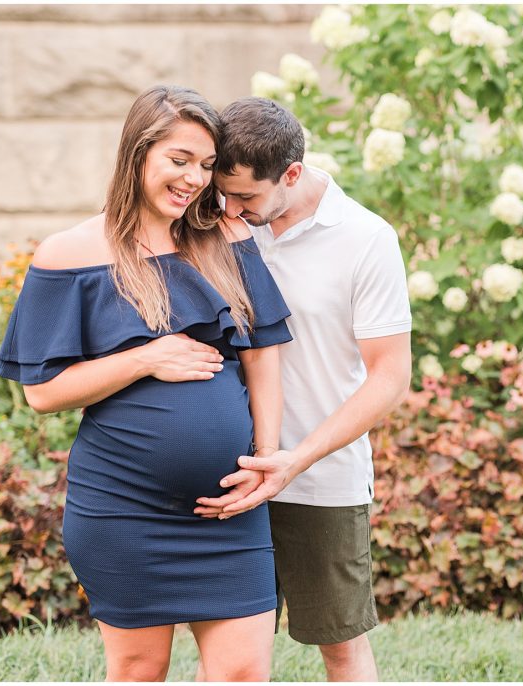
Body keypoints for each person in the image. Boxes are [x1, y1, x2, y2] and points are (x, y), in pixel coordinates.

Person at [0, 85, 290, 682]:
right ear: (137, 154)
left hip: (229, 511)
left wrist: (266, 458)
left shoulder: (226, 241)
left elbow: (263, 356)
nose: (193, 180)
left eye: (206, 166)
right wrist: (144, 358)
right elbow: (43, 393)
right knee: (136, 671)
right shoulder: (69, 254)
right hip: (122, 509)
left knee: (244, 674)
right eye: (178, 160)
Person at [193, 97, 412, 682]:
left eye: (245, 197)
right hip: (229, 474)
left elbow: (390, 376)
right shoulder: (214, 224)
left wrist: (296, 458)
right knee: (227, 652)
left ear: (291, 173)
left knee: (340, 647)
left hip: (320, 478)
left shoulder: (366, 238)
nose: (228, 208)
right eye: (222, 191)